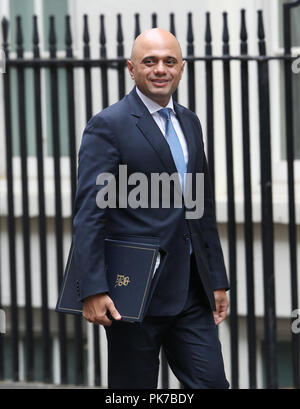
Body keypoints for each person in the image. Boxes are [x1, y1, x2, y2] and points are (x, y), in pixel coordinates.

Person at [73, 28, 230, 389]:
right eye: (150, 61)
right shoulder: (107, 126)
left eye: (169, 61)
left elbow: (200, 206)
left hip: (191, 290)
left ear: (181, 68)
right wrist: (92, 288)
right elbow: (90, 213)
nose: (160, 69)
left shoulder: (190, 122)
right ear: (131, 68)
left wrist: (217, 280)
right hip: (133, 293)